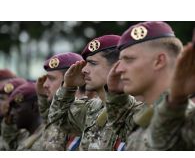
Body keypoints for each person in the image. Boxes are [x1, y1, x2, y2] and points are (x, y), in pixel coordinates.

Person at [104, 21, 191, 150]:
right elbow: (122, 130)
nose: (118, 69)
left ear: (159, 61)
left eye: (129, 59)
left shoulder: (186, 118)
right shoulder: (145, 114)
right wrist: (116, 95)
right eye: (120, 60)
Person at [46, 34, 141, 150]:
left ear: (117, 67)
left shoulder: (135, 110)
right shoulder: (93, 108)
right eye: (86, 63)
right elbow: (58, 121)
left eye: (93, 63)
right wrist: (67, 87)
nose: (84, 70)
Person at [32, 52, 84, 150]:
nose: (45, 84)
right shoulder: (60, 114)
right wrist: (43, 96)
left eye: (51, 79)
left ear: (71, 78)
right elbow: (50, 117)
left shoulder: (82, 115)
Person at [0, 82, 42, 150]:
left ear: (34, 107)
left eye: (16, 107)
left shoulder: (47, 136)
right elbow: (10, 146)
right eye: (11, 108)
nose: (11, 113)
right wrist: (8, 125)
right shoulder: (24, 134)